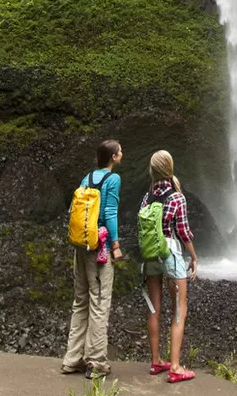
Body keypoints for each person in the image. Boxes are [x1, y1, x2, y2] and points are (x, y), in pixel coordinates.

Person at [61, 138, 123, 378]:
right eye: (120, 151)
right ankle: (96, 362)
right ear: (114, 157)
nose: (122, 153)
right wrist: (115, 244)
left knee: (80, 301)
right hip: (100, 248)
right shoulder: (113, 179)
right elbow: (109, 212)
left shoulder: (87, 178)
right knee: (99, 302)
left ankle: (72, 359)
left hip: (81, 245)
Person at [138, 149, 198, 383]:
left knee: (154, 308)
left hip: (151, 255)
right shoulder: (176, 197)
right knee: (179, 309)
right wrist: (193, 256)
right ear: (170, 168)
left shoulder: (147, 197)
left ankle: (156, 361)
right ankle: (175, 366)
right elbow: (183, 231)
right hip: (171, 254)